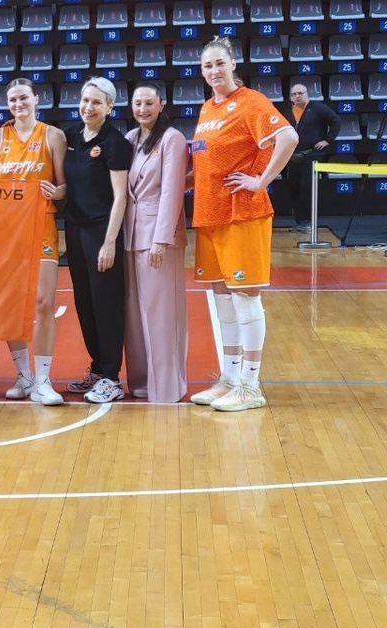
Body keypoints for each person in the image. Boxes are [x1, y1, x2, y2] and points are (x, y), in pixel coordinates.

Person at [189, 37, 298, 412]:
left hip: (243, 213)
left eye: (220, 63)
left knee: (245, 298)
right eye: (207, 66)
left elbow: (288, 137)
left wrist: (261, 181)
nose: (214, 71)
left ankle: (251, 386)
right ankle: (229, 379)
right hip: (210, 214)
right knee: (223, 301)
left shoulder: (251, 102)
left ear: (233, 64)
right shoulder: (207, 108)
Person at [0, 77, 68, 406]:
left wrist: (54, 191)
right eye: (13, 100)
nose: (18, 104)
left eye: (24, 98)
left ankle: (44, 380)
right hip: (5, 231)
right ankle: (24, 375)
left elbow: (65, 187)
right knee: (11, 306)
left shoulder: (53, 136)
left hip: (41, 225)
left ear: (36, 99)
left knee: (44, 302)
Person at [62, 77, 132, 403]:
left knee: (106, 304)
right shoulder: (71, 135)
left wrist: (109, 242)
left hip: (102, 231)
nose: (88, 107)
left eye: (96, 102)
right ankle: (96, 367)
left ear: (109, 107)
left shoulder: (115, 143)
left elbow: (121, 197)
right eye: (85, 100)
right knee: (85, 303)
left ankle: (112, 377)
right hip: (75, 231)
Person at [122, 85, 189, 404]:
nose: (143, 108)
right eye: (138, 103)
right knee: (135, 316)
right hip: (130, 232)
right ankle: (141, 382)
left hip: (158, 237)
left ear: (161, 104)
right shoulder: (130, 139)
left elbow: (172, 191)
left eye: (149, 102)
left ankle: (167, 386)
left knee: (162, 315)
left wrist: (162, 239)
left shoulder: (173, 139)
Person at [283, 82, 340, 233]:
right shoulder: (288, 111)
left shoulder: (318, 108)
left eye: (300, 93)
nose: (297, 96)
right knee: (294, 187)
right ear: (290, 97)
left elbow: (336, 122)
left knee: (306, 187)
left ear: (307, 94)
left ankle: (308, 222)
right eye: (294, 94)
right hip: (292, 155)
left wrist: (327, 140)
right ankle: (300, 221)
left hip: (312, 155)